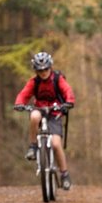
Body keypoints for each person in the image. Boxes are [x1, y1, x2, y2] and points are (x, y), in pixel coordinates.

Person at [14, 51, 76, 190]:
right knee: (34, 116)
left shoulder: (58, 79)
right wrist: (19, 103)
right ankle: (33, 146)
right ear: (36, 70)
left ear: (50, 67)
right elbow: (24, 94)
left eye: (46, 69)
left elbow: (67, 90)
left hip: (55, 113)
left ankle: (64, 174)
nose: (43, 72)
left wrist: (69, 101)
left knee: (55, 143)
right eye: (40, 70)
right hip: (40, 110)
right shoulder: (34, 82)